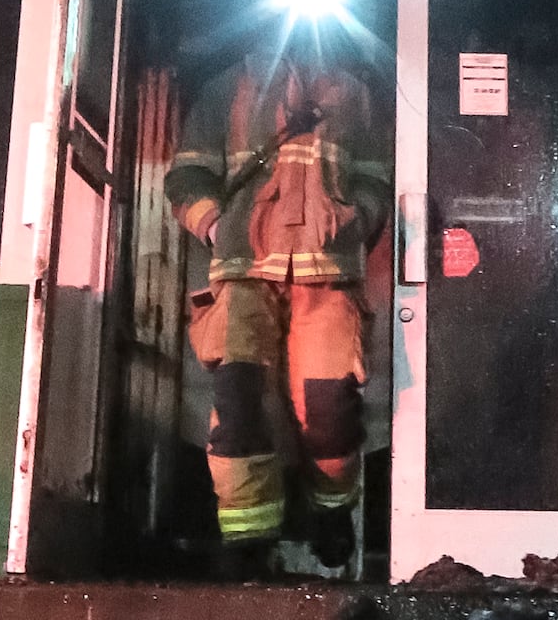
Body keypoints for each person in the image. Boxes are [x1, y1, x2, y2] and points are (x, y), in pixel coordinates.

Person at [164, 41, 390, 577]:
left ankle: (332, 512)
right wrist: (219, 227)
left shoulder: (353, 96)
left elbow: (377, 179)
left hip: (328, 277)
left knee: (330, 410)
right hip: (244, 275)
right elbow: (185, 178)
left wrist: (356, 219)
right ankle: (247, 545)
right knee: (239, 407)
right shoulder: (226, 90)